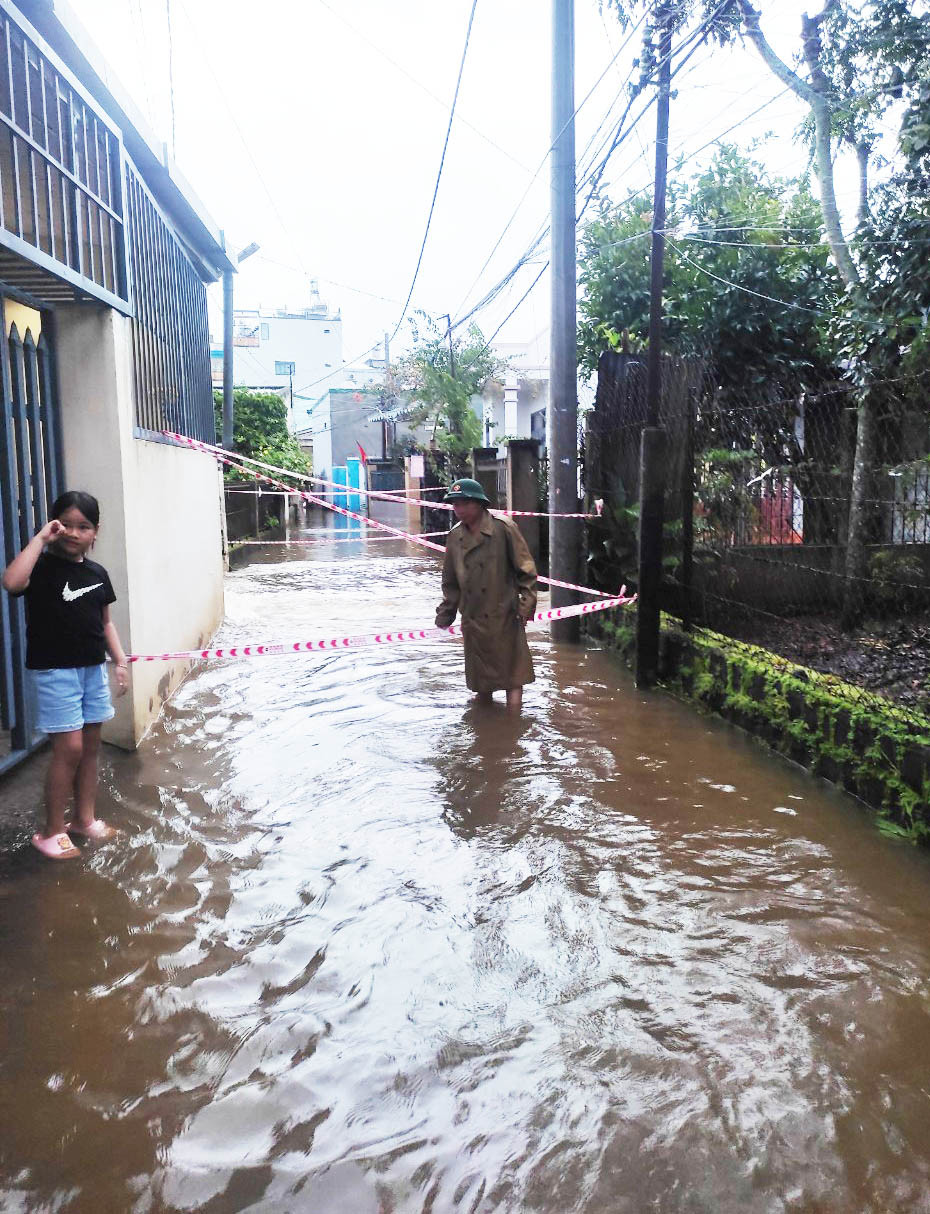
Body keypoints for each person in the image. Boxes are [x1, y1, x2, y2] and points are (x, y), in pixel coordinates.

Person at [2, 491, 128, 859]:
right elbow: (11, 582)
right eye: (66, 525)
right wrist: (40, 539)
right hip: (56, 672)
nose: (74, 533)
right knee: (69, 749)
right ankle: (51, 831)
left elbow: (105, 623)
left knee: (90, 747)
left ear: (95, 531)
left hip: (92, 670)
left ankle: (83, 820)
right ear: (54, 525)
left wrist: (120, 660)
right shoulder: (40, 567)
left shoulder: (97, 573)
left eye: (83, 526)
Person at [435, 478, 537, 713]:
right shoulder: (455, 536)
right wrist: (446, 614)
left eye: (464, 503)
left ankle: (514, 722)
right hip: (473, 619)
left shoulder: (503, 528)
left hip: (504, 615)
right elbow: (450, 582)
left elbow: (527, 571)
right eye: (455, 504)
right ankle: (484, 722)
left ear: (479, 504)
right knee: (480, 681)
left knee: (513, 676)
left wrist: (525, 607)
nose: (459, 509)